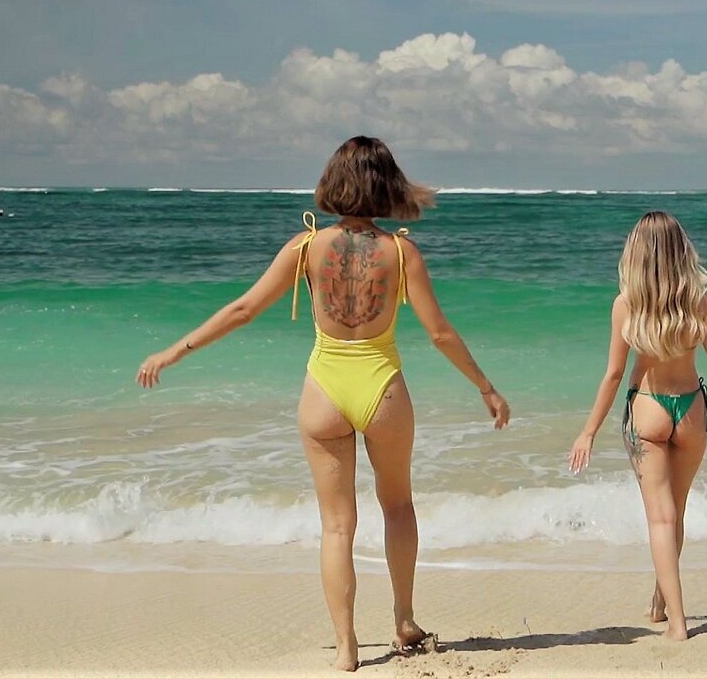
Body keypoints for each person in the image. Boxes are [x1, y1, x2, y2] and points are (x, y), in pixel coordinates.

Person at [136, 136, 511, 671]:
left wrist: (175, 350)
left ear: (333, 183)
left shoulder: (306, 247)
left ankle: (346, 647)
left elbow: (243, 309)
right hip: (383, 387)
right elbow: (440, 333)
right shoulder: (401, 252)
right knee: (398, 507)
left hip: (324, 390)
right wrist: (486, 387)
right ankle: (404, 621)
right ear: (387, 185)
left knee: (337, 526)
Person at [567, 210, 707, 641]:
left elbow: (614, 375)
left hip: (648, 409)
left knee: (660, 520)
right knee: (677, 514)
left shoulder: (626, 305)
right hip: (691, 409)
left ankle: (677, 623)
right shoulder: (699, 302)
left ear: (636, 254)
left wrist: (589, 431)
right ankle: (661, 603)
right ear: (681, 251)